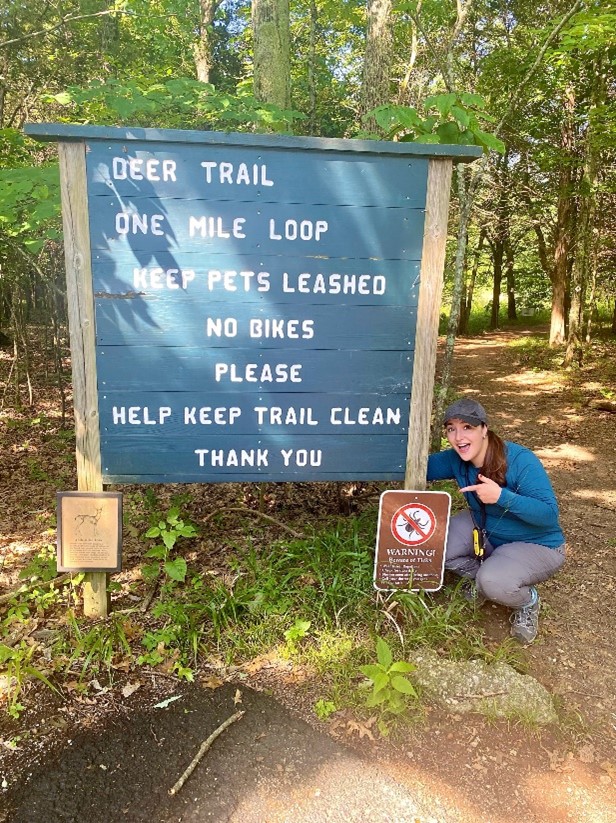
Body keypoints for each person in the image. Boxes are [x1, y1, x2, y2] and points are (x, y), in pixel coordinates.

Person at [427, 397, 565, 644]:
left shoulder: (520, 460)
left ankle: (527, 601)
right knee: (433, 547)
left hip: (537, 544)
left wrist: (502, 497)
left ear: (484, 429)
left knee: (493, 581)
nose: (459, 437)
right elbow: (415, 466)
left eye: (467, 427)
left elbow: (548, 515)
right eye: (451, 429)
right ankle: (483, 578)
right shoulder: (456, 458)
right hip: (487, 531)